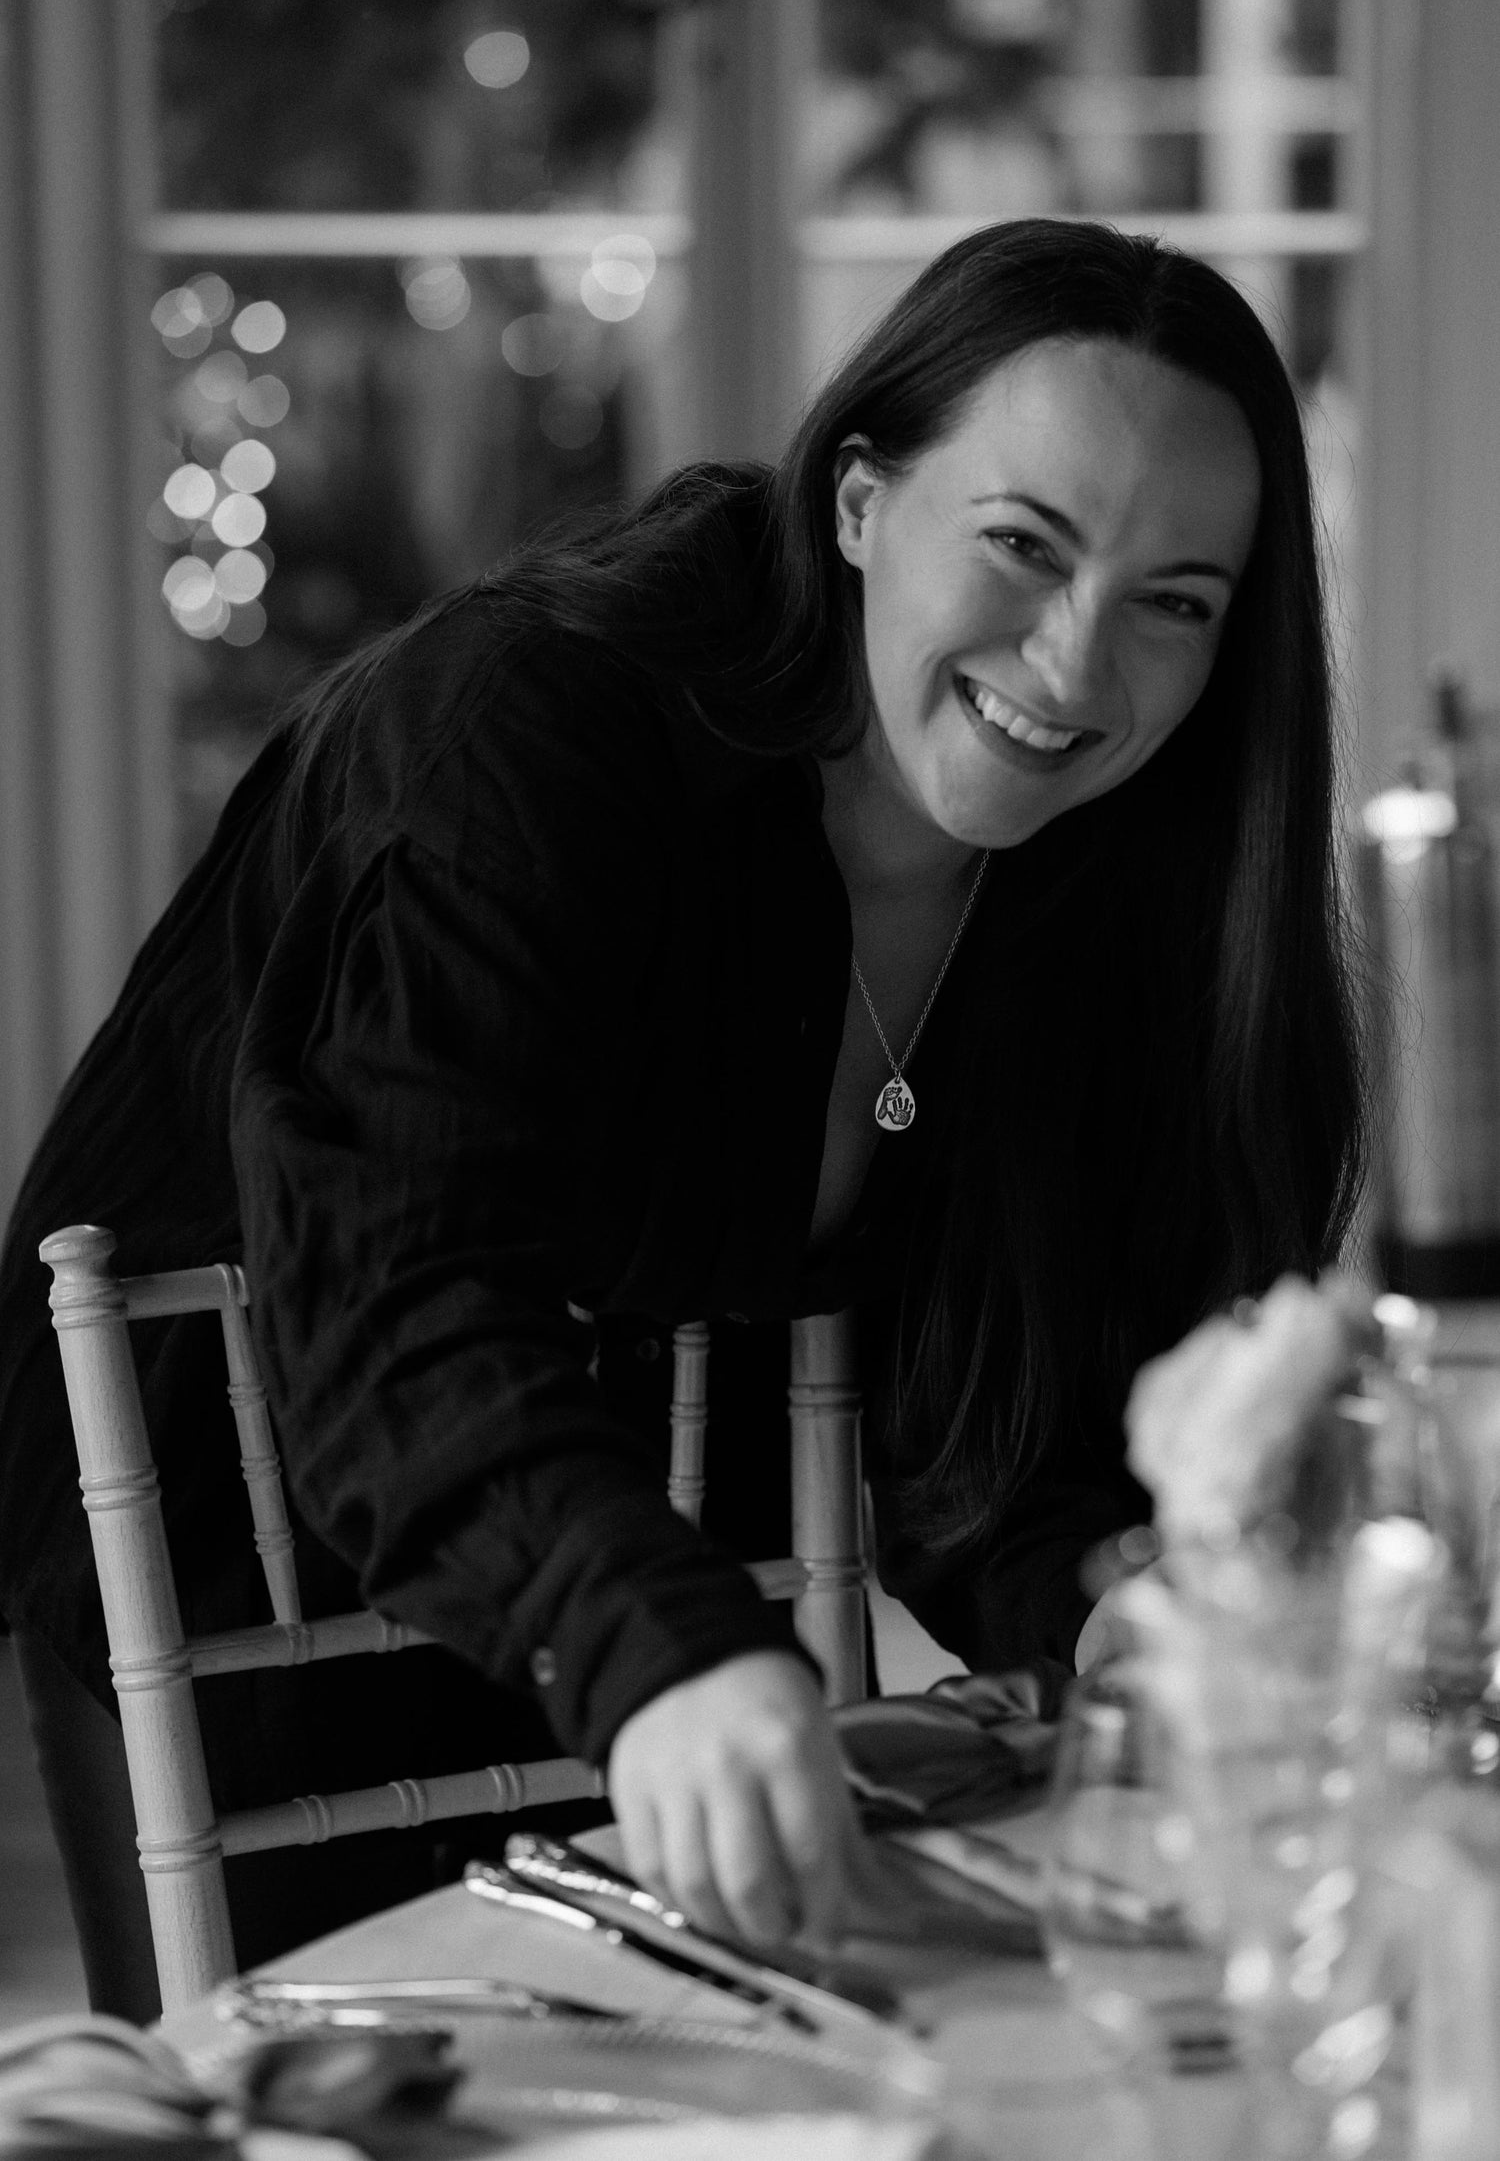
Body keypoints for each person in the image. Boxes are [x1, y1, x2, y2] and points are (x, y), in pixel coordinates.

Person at [0, 219, 1366, 2018]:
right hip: (254, 1541)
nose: (1077, 660)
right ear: (862, 503)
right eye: (1025, 545)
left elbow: (994, 1408)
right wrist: (656, 1655)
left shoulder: (1101, 877)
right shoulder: (527, 730)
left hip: (661, 1564)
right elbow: (400, 1301)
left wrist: (1110, 1593)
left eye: (1175, 602)